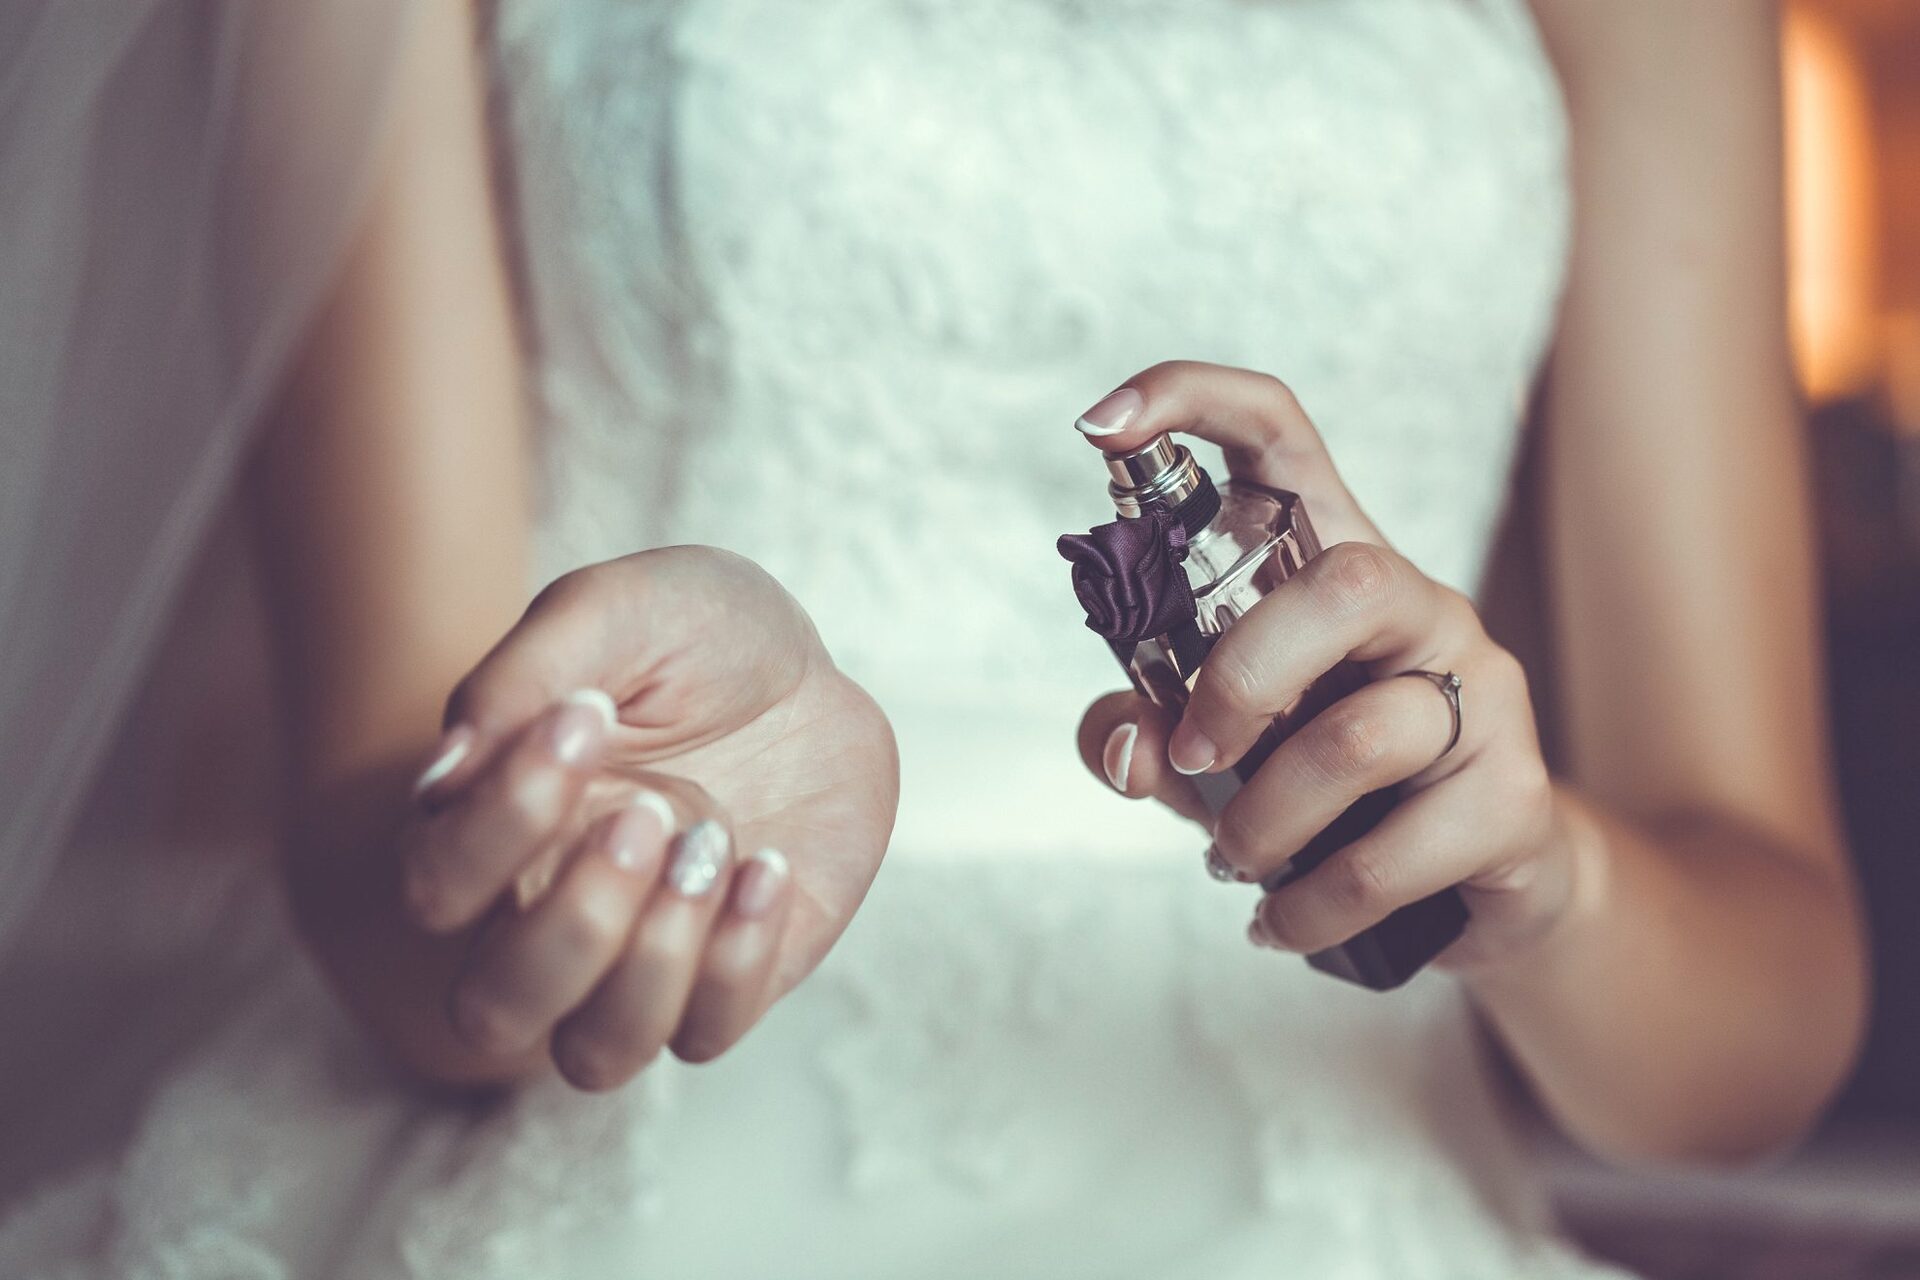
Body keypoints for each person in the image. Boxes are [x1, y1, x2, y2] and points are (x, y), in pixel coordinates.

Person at [0, 1, 1865, 1276]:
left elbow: (1756, 1037)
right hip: (634, 1155)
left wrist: (1540, 880)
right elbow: (373, 862)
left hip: (1320, 1173)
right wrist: (611, 845)